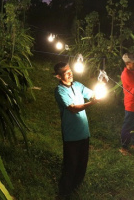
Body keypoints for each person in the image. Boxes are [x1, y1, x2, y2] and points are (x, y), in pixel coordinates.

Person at [53, 61, 99, 199]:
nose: (70, 73)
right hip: (71, 134)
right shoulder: (59, 91)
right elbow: (72, 108)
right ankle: (64, 192)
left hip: (84, 132)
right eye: (66, 73)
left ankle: (76, 186)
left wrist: (98, 90)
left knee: (82, 161)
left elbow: (91, 93)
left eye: (70, 70)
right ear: (58, 77)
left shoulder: (78, 85)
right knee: (71, 163)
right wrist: (92, 103)